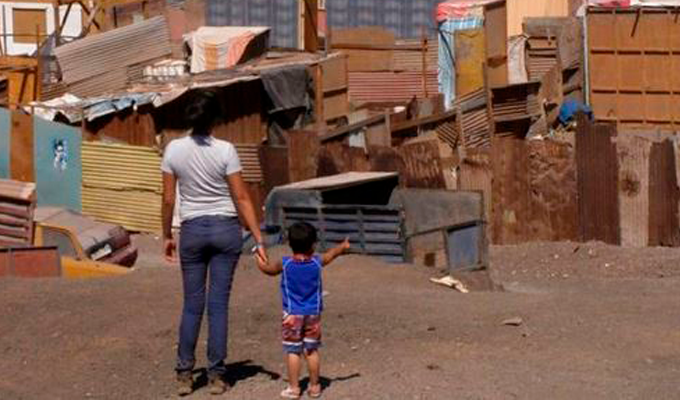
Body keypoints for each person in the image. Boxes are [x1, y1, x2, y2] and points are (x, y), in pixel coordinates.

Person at [161, 89, 268, 396]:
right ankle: (217, 376)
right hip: (225, 230)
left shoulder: (173, 150)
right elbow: (242, 196)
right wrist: (259, 238)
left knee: (192, 304)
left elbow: (168, 199)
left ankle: (184, 374)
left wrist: (167, 234)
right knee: (218, 305)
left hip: (192, 232)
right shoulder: (226, 150)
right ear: (216, 119)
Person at [255, 222, 350, 399]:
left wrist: (259, 261)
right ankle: (314, 387)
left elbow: (268, 270)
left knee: (293, 351)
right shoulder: (317, 262)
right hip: (313, 313)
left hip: (292, 314)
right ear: (313, 244)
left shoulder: (285, 264)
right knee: (311, 350)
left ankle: (294, 388)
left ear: (290, 244)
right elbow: (331, 254)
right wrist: (343, 246)